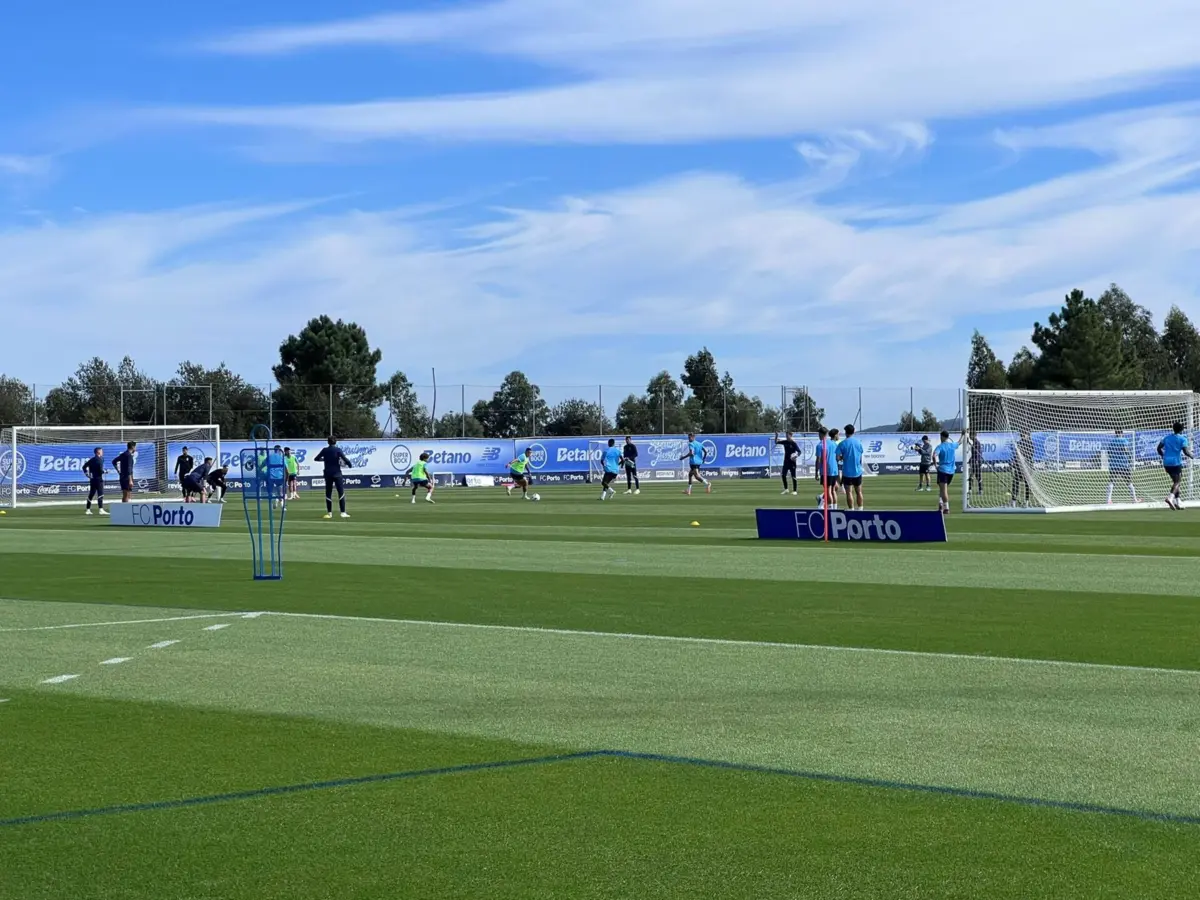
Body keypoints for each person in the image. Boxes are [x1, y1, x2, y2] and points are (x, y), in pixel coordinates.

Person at [1157, 421, 1193, 510]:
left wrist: (1163, 455)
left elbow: (1158, 448)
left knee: (1176, 481)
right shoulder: (1183, 439)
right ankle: (1170, 497)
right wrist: (1192, 455)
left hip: (1166, 463)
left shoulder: (1167, 438)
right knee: (1178, 482)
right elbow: (1185, 451)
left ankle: (1178, 502)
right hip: (1175, 462)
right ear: (1182, 429)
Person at [315, 437, 353, 519]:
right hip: (337, 474)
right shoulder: (338, 450)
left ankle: (329, 513)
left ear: (328, 442)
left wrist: (324, 459)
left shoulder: (325, 450)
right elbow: (345, 459)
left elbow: (316, 458)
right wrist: (349, 465)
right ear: (335, 442)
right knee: (341, 492)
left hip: (328, 474)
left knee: (328, 493)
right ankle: (343, 512)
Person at [837, 424, 865, 511]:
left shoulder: (842, 443)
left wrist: (843, 457)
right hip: (857, 471)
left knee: (849, 492)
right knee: (859, 491)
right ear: (854, 431)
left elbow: (837, 458)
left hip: (847, 472)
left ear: (846, 432)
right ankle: (860, 509)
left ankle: (851, 509)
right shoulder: (858, 443)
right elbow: (860, 456)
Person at [934, 430, 962, 515]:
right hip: (951, 471)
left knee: (944, 489)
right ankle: (940, 503)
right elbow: (959, 442)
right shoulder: (952, 445)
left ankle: (946, 508)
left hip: (943, 470)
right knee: (942, 488)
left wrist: (936, 465)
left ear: (942, 437)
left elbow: (934, 455)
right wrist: (963, 435)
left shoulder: (940, 446)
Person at [1107, 428, 1137, 504]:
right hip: (1123, 464)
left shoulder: (1112, 442)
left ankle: (1108, 500)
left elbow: (1109, 452)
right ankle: (1134, 499)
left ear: (1115, 433)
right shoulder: (1124, 440)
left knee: (1111, 482)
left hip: (1114, 465)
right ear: (1122, 433)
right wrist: (1129, 458)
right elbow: (1126, 450)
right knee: (1129, 482)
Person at [813, 427, 838, 510]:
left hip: (826, 471)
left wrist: (816, 472)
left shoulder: (820, 445)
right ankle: (835, 508)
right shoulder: (833, 443)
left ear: (821, 434)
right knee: (833, 490)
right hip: (834, 469)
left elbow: (818, 460)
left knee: (828, 491)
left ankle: (830, 509)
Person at [83, 447, 108, 516]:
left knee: (91, 494)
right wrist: (105, 471)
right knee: (100, 494)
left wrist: (86, 474)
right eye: (101, 451)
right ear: (98, 452)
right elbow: (100, 470)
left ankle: (88, 509)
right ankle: (101, 509)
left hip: (92, 479)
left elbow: (84, 467)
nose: (102, 452)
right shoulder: (100, 459)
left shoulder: (92, 459)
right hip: (98, 479)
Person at [1010, 431, 1033, 508]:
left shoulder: (1020, 443)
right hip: (1024, 467)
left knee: (1016, 484)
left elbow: (1017, 455)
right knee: (1026, 485)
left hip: (1020, 466)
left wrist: (1014, 464)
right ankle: (1026, 502)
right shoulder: (1029, 444)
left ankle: (1014, 503)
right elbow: (1030, 455)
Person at [775, 431, 800, 496]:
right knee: (783, 475)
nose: (786, 436)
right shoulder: (785, 442)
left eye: (787, 435)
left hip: (792, 462)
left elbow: (799, 452)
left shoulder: (794, 443)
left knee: (793, 476)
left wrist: (795, 456)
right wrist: (776, 436)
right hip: (786, 462)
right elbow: (776, 442)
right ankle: (786, 489)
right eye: (786, 435)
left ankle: (795, 491)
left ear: (790, 435)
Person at [827, 428, 842, 504]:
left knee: (832, 489)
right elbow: (837, 457)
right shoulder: (835, 444)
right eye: (838, 434)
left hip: (832, 468)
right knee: (833, 489)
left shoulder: (829, 443)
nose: (839, 436)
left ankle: (831, 507)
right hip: (833, 469)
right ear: (835, 435)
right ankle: (832, 508)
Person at [968, 432, 985, 500]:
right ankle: (970, 490)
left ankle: (980, 490)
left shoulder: (977, 443)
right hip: (975, 461)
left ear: (974, 435)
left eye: (971, 435)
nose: (970, 436)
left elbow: (978, 453)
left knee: (977, 476)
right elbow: (974, 454)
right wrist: (970, 460)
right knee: (972, 476)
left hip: (977, 462)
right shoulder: (974, 443)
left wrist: (977, 461)